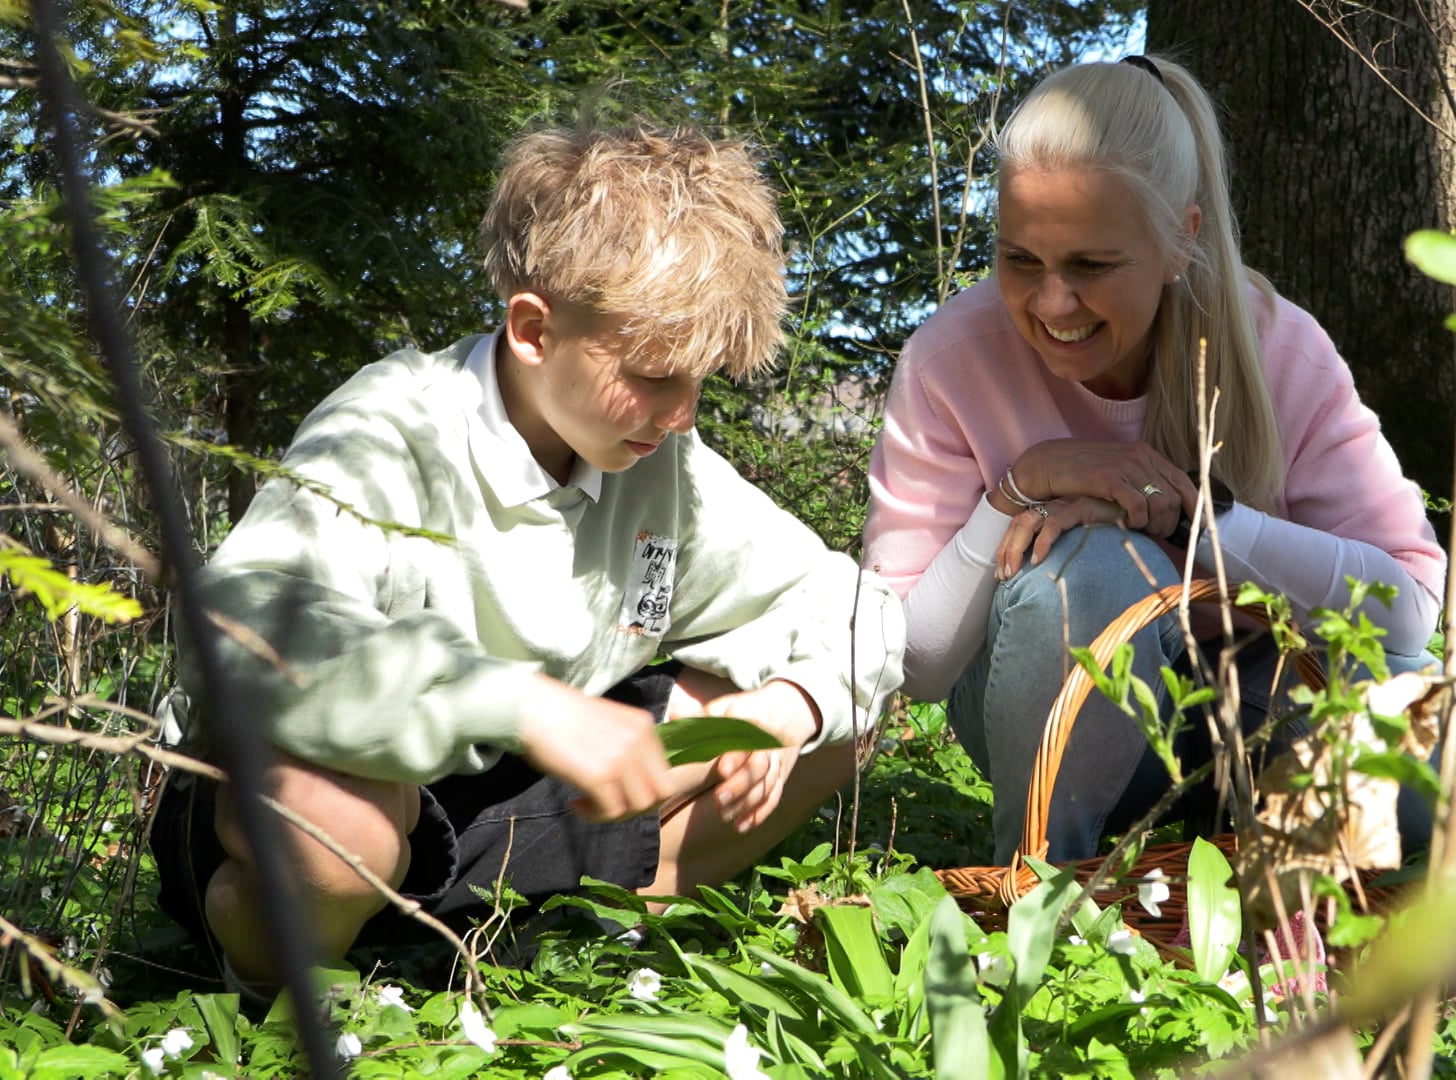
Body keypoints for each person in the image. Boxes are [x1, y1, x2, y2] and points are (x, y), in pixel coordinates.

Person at [151, 118, 904, 992]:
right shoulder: (392, 429)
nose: (684, 411)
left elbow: (859, 615)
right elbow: (240, 631)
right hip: (340, 795)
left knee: (833, 719)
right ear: (534, 330)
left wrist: (790, 707)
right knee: (338, 820)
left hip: (500, 801)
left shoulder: (665, 466)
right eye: (656, 372)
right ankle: (276, 979)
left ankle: (557, 943)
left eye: (700, 379)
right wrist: (520, 702)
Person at [862, 55, 1456, 867]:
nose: (1051, 304)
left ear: (1181, 240)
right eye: (1020, 260)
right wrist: (1024, 486)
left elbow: (1411, 611)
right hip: (1060, 716)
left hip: (1268, 716)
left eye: (1092, 266)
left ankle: (1260, 860)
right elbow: (912, 664)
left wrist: (1198, 522)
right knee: (1084, 569)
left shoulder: (1280, 348)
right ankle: (1040, 886)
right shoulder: (951, 360)